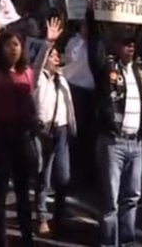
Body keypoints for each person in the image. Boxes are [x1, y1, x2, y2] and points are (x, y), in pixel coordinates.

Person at [85, 0, 142, 247]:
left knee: (132, 196)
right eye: (125, 43)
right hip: (113, 141)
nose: (130, 47)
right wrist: (92, 14)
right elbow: (94, 46)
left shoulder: (140, 70)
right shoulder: (107, 67)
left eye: (133, 43)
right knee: (110, 199)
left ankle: (128, 240)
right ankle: (110, 242)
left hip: (137, 142)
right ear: (116, 46)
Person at [0, 20, 36, 247]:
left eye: (17, 44)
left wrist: (50, 43)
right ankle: (0, 239)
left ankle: (27, 238)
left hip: (21, 138)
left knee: (23, 192)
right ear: (1, 49)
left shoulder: (28, 73)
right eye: (8, 45)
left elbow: (40, 66)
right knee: (1, 191)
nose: (13, 48)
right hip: (0, 139)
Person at [32, 18, 77, 236]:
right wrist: (47, 44)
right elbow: (39, 61)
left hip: (61, 131)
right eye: (53, 55)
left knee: (63, 175)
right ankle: (41, 216)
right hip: (44, 131)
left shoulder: (62, 78)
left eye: (57, 55)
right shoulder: (38, 79)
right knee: (44, 176)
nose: (56, 58)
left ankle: (60, 214)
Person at [63, 20, 96, 189]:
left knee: (87, 135)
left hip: (90, 93)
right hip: (75, 89)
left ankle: (85, 175)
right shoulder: (74, 42)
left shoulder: (97, 44)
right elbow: (70, 59)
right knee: (74, 133)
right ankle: (71, 174)